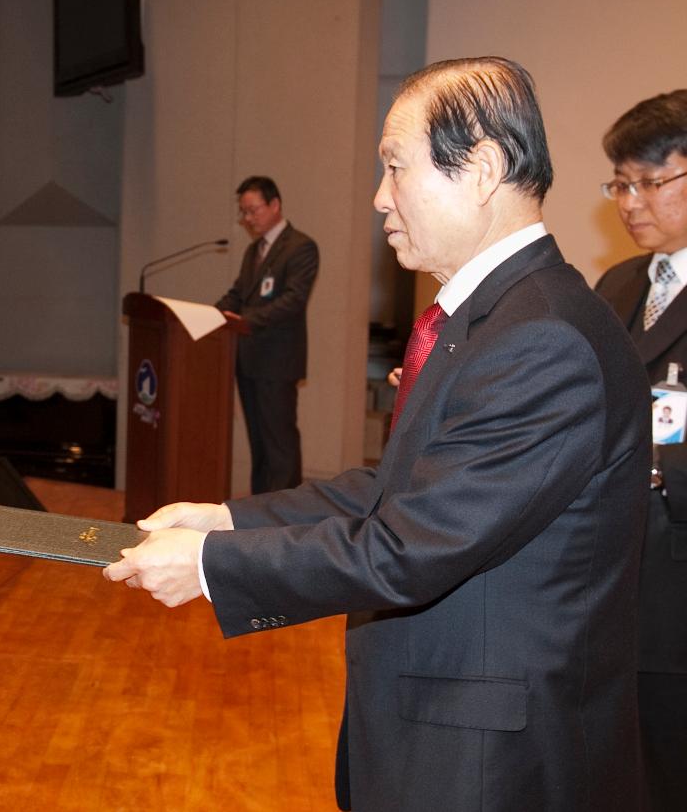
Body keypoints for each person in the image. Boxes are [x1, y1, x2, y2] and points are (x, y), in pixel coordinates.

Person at [105, 57, 648, 811]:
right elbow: (399, 488)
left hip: (489, 758)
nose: (378, 198)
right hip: (440, 724)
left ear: (483, 168)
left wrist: (210, 564)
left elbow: (409, 547)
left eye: (396, 167)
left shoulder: (540, 339)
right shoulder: (495, 319)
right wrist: (228, 516)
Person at [593, 88, 687, 812]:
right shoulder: (619, 283)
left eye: (649, 182)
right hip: (611, 573)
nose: (628, 202)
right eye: (619, 183)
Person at [215, 176, 319, 493]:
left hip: (277, 363)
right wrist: (210, 315)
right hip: (248, 362)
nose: (248, 219)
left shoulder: (301, 247)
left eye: (253, 210)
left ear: (275, 205)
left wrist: (245, 320)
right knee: (259, 445)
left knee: (280, 445)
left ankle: (286, 519)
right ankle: (258, 515)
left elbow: (293, 300)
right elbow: (237, 294)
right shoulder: (253, 251)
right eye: (243, 212)